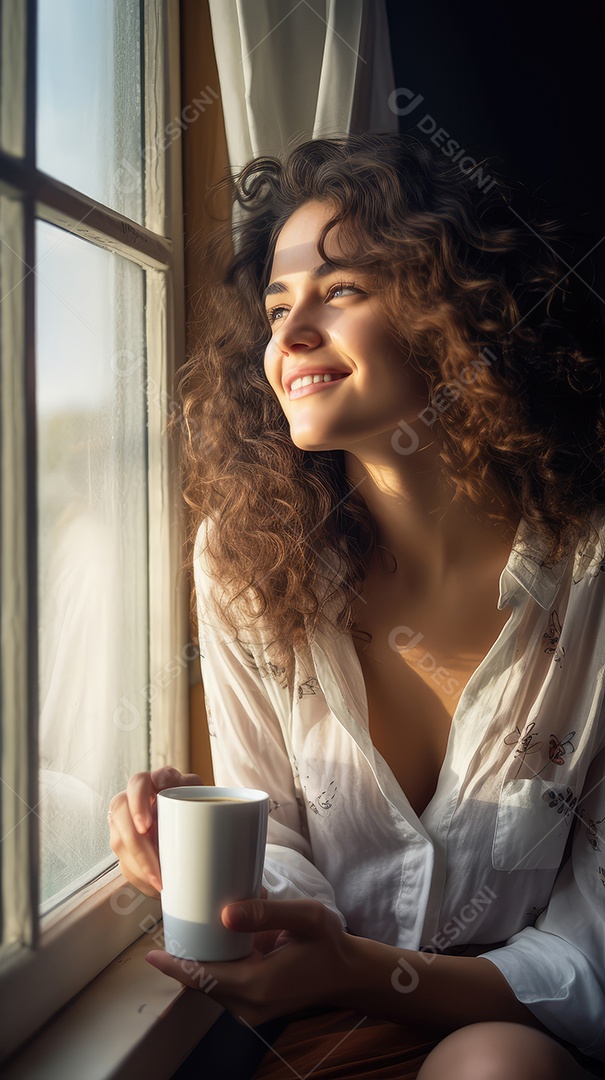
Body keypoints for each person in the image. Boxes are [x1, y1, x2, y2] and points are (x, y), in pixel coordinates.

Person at [109, 133, 605, 1079]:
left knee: (498, 1064)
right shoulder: (244, 558)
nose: (290, 335)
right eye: (276, 307)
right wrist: (208, 859)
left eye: (338, 290)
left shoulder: (590, 575)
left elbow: (591, 962)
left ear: (460, 309)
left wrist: (361, 972)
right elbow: (282, 846)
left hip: (525, 1026)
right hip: (323, 1029)